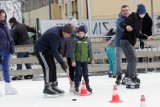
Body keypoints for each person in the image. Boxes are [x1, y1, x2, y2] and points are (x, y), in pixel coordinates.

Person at [120, 4, 154, 88]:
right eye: (141, 13)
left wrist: (147, 37)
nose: (143, 15)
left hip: (128, 42)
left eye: (144, 13)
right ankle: (131, 78)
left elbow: (138, 34)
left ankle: (127, 77)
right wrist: (127, 26)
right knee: (133, 59)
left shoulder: (139, 21)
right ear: (138, 12)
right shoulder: (133, 17)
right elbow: (122, 23)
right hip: (126, 41)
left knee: (131, 60)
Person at [34, 24, 72, 97]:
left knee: (53, 67)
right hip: (41, 49)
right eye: (68, 34)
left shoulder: (63, 35)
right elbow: (55, 51)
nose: (68, 36)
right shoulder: (55, 34)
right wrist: (62, 63)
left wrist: (60, 52)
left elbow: (59, 47)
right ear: (64, 32)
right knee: (47, 67)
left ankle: (53, 85)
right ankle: (47, 87)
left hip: (49, 50)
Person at [71, 25, 94, 93]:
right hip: (77, 60)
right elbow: (72, 51)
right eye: (79, 33)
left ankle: (87, 85)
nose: (80, 35)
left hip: (85, 60)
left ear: (85, 33)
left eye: (82, 33)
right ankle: (76, 86)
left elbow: (90, 50)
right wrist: (73, 60)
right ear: (77, 33)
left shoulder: (87, 40)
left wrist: (92, 59)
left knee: (85, 74)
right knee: (78, 73)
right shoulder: (75, 40)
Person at [0, 9, 17, 95]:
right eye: (1, 16)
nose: (2, 18)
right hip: (0, 51)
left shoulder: (5, 26)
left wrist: (12, 46)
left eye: (4, 16)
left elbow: (9, 38)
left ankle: (8, 87)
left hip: (7, 50)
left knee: (6, 69)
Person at [62, 17, 79, 92]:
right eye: (72, 27)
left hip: (78, 56)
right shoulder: (67, 36)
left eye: (75, 27)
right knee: (71, 70)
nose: (74, 28)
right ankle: (72, 83)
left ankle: (77, 83)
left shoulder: (79, 36)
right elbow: (64, 46)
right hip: (69, 56)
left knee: (78, 70)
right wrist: (63, 55)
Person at [115, 5, 130, 85]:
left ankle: (127, 75)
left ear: (129, 11)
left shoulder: (131, 19)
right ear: (121, 12)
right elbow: (122, 29)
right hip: (119, 43)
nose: (125, 12)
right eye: (123, 10)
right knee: (118, 61)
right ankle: (119, 75)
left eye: (126, 10)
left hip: (128, 43)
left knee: (130, 60)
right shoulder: (119, 20)